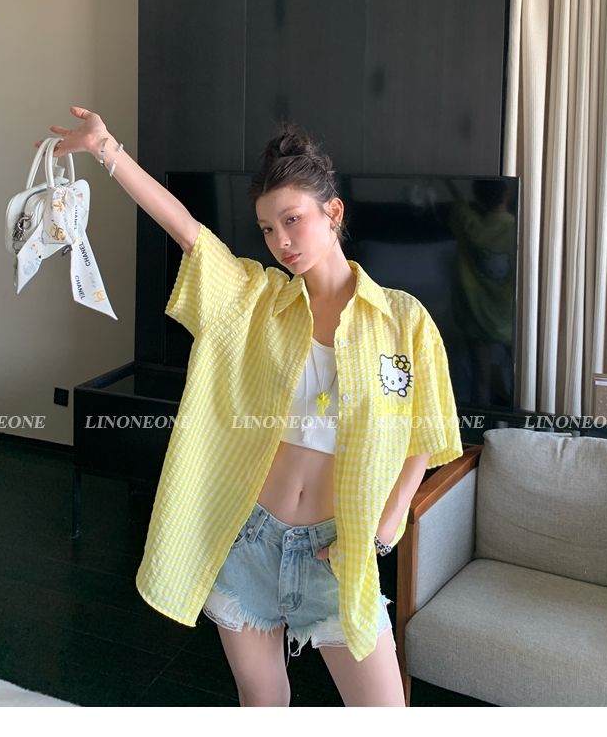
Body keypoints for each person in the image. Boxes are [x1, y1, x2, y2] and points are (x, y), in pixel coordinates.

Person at [37, 105, 463, 707]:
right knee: (261, 704)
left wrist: (386, 524)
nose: (280, 242)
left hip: (338, 551)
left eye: (292, 220)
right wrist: (107, 150)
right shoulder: (258, 299)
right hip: (250, 539)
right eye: (267, 229)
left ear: (333, 213)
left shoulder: (402, 320)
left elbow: (427, 428)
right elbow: (188, 232)